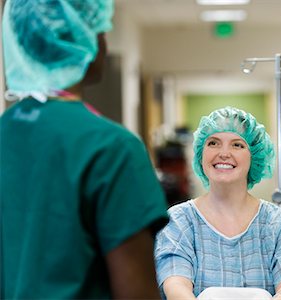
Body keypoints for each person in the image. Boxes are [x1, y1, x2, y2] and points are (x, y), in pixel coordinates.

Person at [0, 0, 168, 298]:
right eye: (101, 29)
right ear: (86, 39)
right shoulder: (112, 147)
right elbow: (136, 293)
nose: (104, 38)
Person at [155, 107, 281, 299]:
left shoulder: (280, 224)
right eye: (213, 143)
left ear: (254, 156)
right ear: (201, 154)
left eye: (237, 145)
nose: (224, 153)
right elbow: (176, 285)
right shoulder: (179, 221)